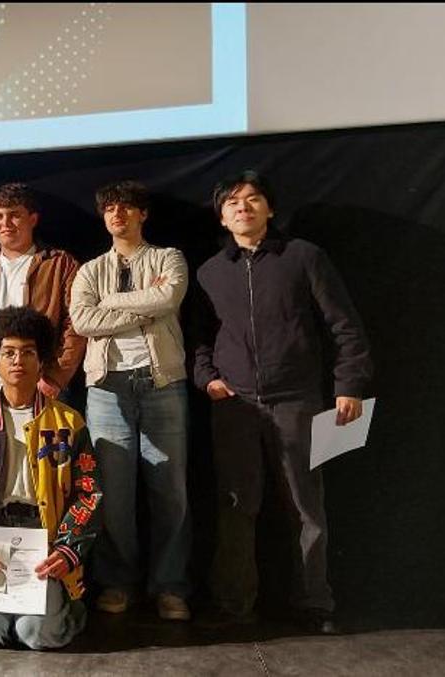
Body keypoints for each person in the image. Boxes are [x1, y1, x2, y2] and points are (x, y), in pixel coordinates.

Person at [193, 170, 373, 634]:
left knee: (305, 507)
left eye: (253, 200)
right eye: (233, 202)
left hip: (297, 400)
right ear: (222, 215)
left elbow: (345, 326)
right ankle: (235, 605)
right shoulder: (210, 272)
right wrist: (207, 379)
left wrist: (348, 383)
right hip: (235, 407)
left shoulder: (304, 256)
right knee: (236, 506)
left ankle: (315, 604)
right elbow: (200, 340)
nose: (243, 208)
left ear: (270, 209)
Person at [0, 307, 102, 650]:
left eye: (28, 352)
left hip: (45, 540)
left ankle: (69, 610)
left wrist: (66, 549)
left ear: (41, 360)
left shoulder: (69, 423)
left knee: (37, 634)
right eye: (8, 353)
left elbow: (88, 493)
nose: (18, 361)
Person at [69, 180, 192, 619]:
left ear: (142, 214)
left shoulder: (168, 258)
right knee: (113, 494)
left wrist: (112, 304)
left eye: (126, 207)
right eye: (109, 209)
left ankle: (170, 587)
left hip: (162, 383)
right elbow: (82, 320)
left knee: (170, 491)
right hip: (106, 388)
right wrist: (145, 302)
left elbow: (169, 295)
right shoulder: (89, 270)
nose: (117, 214)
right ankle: (118, 582)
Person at [0, 183, 85, 400]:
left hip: (43, 389)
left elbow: (76, 324)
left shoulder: (60, 264)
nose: (5, 223)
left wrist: (55, 377)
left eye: (14, 215)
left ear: (33, 219)